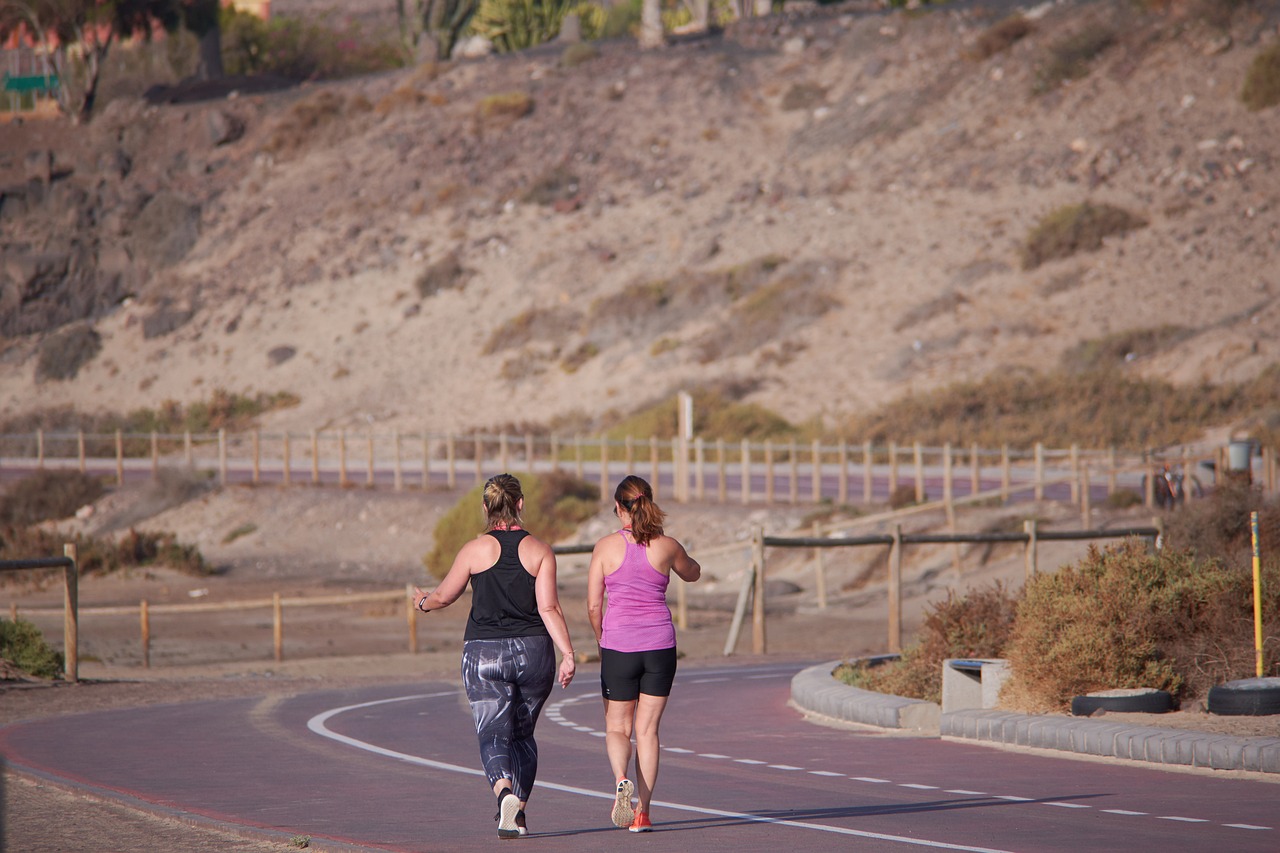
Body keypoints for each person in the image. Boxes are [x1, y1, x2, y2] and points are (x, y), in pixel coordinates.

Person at [412, 473, 577, 840]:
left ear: (485, 508)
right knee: (523, 735)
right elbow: (549, 608)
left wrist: (423, 603)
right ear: (520, 505)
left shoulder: (474, 549)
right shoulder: (540, 550)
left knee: (493, 733)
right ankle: (518, 816)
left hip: (484, 654)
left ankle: (504, 792)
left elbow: (445, 595)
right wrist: (568, 653)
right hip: (534, 653)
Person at [586, 474, 701, 832]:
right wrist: (682, 557)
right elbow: (693, 574)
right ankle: (644, 813)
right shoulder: (666, 546)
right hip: (660, 647)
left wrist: (601, 640)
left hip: (619, 645)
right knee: (648, 731)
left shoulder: (605, 548)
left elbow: (593, 605)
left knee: (617, 728)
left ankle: (622, 779)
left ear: (618, 508)